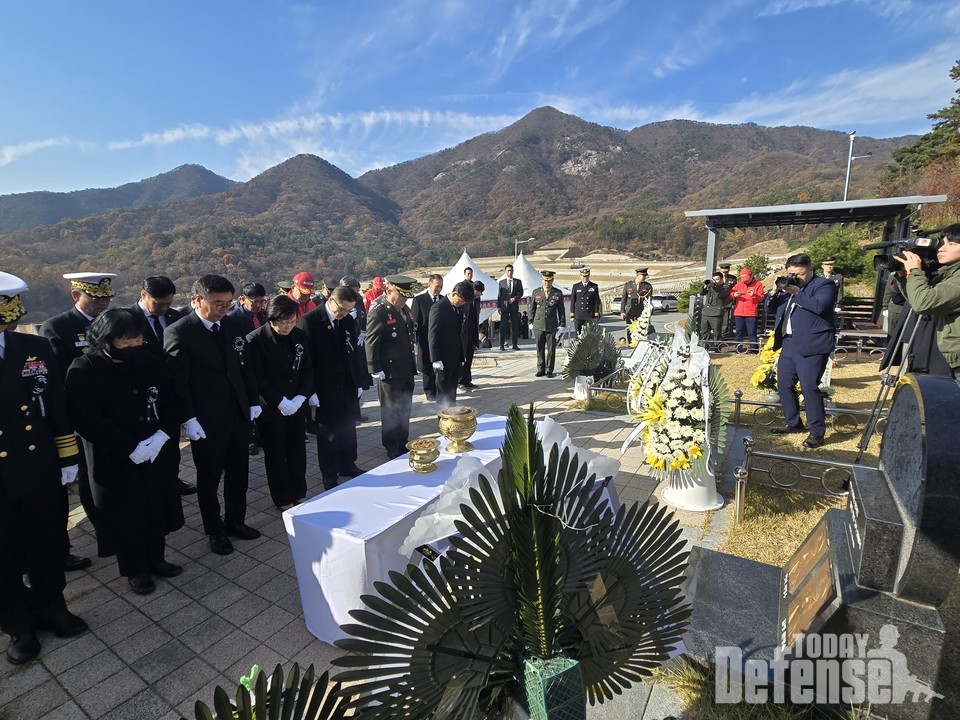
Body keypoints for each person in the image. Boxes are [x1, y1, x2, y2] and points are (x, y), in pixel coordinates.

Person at [0, 271, 88, 664]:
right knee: (3, 552)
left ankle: (53, 607)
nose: (10, 316)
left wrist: (68, 457)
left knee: (48, 542)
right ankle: (18, 624)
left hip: (38, 465)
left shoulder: (31, 347)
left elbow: (55, 404)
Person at [65, 309, 184, 595]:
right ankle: (134, 569)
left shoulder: (148, 361)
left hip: (154, 449)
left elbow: (171, 399)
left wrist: (163, 435)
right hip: (115, 456)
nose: (133, 346)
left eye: (137, 339)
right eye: (126, 341)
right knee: (126, 513)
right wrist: (130, 447)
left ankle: (157, 559)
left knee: (156, 505)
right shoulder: (83, 370)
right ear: (106, 340)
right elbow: (88, 420)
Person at [164, 274, 262, 555]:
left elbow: (245, 367)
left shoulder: (231, 325)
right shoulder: (180, 332)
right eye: (218, 303)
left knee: (239, 474)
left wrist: (253, 401)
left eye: (229, 303)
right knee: (209, 479)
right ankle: (214, 530)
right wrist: (188, 418)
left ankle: (235, 522)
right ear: (197, 300)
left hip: (237, 415)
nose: (224, 308)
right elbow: (177, 382)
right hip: (205, 421)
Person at [40, 271, 117, 572]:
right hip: (80, 418)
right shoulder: (58, 328)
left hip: (112, 412)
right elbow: (57, 378)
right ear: (76, 295)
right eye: (96, 298)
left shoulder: (110, 324)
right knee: (91, 475)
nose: (102, 303)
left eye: (106, 298)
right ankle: (102, 526)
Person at [246, 295, 314, 510]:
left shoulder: (299, 335)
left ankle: (299, 491)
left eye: (291, 321)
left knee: (297, 450)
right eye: (282, 322)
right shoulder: (255, 340)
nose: (287, 326)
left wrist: (302, 396)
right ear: (270, 319)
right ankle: (283, 497)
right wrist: (280, 401)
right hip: (273, 407)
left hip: (296, 403)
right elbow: (257, 377)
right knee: (276, 454)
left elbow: (309, 368)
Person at [299, 285, 364, 489]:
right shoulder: (309, 321)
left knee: (347, 427)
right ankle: (329, 473)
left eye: (348, 311)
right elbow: (306, 360)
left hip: (346, 384)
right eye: (341, 310)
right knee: (328, 434)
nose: (343, 314)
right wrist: (310, 391)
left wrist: (358, 381)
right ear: (331, 301)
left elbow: (352, 353)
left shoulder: (347, 320)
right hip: (323, 387)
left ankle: (348, 464)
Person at [770, 254, 838, 449]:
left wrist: (798, 292)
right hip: (789, 343)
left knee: (809, 387)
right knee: (783, 384)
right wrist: (774, 291)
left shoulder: (824, 285)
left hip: (813, 344)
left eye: (800, 274)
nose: (796, 277)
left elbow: (819, 306)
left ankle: (817, 432)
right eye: (792, 273)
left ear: (810, 269)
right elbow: (770, 308)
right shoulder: (788, 286)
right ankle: (793, 422)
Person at [895, 223, 960, 379]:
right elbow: (916, 299)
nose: (942, 248)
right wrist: (904, 276)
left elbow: (923, 303)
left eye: (951, 244)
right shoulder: (949, 275)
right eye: (941, 243)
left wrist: (915, 271)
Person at [366, 275, 419, 459]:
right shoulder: (379, 311)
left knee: (404, 407)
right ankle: (391, 445)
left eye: (406, 296)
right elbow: (371, 340)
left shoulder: (404, 309)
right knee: (390, 409)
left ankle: (403, 440)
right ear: (389, 291)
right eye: (401, 295)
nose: (404, 299)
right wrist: (374, 367)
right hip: (388, 371)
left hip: (406, 368)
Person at [429, 280, 474, 409]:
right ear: (454, 293)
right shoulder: (439, 308)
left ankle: (451, 418)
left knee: (452, 391)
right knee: (443, 393)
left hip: (455, 358)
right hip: (442, 359)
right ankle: (443, 422)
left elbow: (459, 333)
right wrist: (435, 359)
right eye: (461, 300)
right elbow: (433, 335)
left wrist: (462, 355)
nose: (462, 304)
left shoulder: (458, 308)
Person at [342, 276, 372, 423]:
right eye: (352, 291)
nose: (355, 294)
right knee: (349, 382)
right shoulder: (340, 302)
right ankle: (349, 414)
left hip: (359, 345)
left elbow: (363, 316)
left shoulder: (358, 300)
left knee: (359, 381)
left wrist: (363, 331)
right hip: (346, 346)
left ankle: (356, 412)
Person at [412, 274, 443, 401]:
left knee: (438, 365)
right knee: (426, 365)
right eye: (436, 286)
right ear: (429, 284)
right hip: (424, 339)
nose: (439, 289)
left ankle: (438, 389)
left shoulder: (443, 299)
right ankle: (429, 391)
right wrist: (415, 342)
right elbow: (415, 321)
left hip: (439, 338)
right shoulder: (419, 300)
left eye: (441, 286)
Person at [530, 270, 566, 378]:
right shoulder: (536, 292)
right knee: (539, 348)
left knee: (551, 349)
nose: (547, 283)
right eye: (545, 281)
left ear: (552, 280)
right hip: (539, 324)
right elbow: (532, 308)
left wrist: (562, 324)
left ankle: (549, 369)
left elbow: (561, 310)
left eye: (549, 281)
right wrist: (530, 321)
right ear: (542, 280)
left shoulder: (557, 293)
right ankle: (540, 368)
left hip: (551, 324)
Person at [731, 267, 764, 351]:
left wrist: (754, 295)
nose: (745, 281)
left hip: (751, 312)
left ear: (751, 275)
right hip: (738, 312)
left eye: (747, 279)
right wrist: (734, 294)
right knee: (739, 332)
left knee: (752, 332)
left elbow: (761, 298)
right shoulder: (739, 284)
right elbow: (731, 293)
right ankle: (739, 349)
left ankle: (753, 349)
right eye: (743, 279)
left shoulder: (758, 284)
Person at [460, 278, 482, 390]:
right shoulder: (464, 299)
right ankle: (460, 381)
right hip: (463, 333)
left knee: (469, 358)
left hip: (472, 333)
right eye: (477, 294)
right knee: (461, 359)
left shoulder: (477, 300)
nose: (477, 296)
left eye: (479, 294)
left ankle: (467, 380)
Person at [621, 268, 652, 344]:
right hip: (630, 311)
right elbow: (623, 299)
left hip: (641, 312)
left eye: (645, 275)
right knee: (630, 329)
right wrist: (622, 311)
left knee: (641, 328)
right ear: (638, 275)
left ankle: (639, 343)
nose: (645, 277)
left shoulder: (647, 286)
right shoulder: (628, 285)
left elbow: (649, 301)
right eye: (643, 275)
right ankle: (631, 344)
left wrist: (649, 312)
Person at [498, 264, 523, 350]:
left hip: (514, 306)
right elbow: (499, 295)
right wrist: (498, 306)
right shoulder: (501, 283)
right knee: (503, 326)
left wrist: (515, 298)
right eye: (508, 270)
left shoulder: (517, 282)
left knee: (515, 326)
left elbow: (521, 293)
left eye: (511, 270)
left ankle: (515, 344)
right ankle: (501, 344)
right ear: (505, 272)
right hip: (504, 306)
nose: (510, 272)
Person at [699, 272, 728, 346]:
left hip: (716, 314)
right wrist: (706, 286)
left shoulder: (725, 288)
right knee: (704, 333)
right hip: (706, 313)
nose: (715, 281)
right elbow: (701, 293)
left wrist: (713, 287)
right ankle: (705, 349)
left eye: (717, 279)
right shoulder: (710, 287)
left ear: (722, 279)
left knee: (717, 334)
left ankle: (717, 350)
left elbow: (719, 295)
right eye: (714, 279)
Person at [570, 267, 601, 332]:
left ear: (589, 276)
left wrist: (596, 315)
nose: (585, 278)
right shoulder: (576, 286)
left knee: (589, 336)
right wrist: (572, 315)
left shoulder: (594, 286)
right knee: (578, 336)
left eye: (586, 276)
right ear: (580, 276)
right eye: (583, 276)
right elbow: (573, 301)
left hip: (590, 315)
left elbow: (596, 302)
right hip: (579, 316)